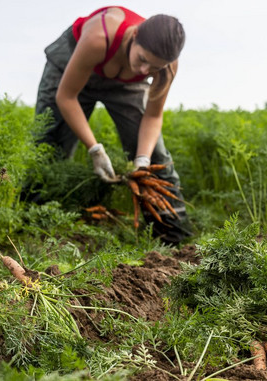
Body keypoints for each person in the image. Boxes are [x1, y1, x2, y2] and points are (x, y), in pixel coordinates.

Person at [35, 6, 191, 244]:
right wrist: (94, 149)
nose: (144, 71)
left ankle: (173, 238)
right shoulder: (99, 37)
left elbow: (152, 117)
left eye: (154, 68)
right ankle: (36, 220)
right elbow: (66, 97)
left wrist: (142, 160)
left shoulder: (166, 65)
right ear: (135, 35)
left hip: (123, 84)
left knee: (156, 157)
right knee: (49, 144)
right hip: (72, 66)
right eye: (143, 60)